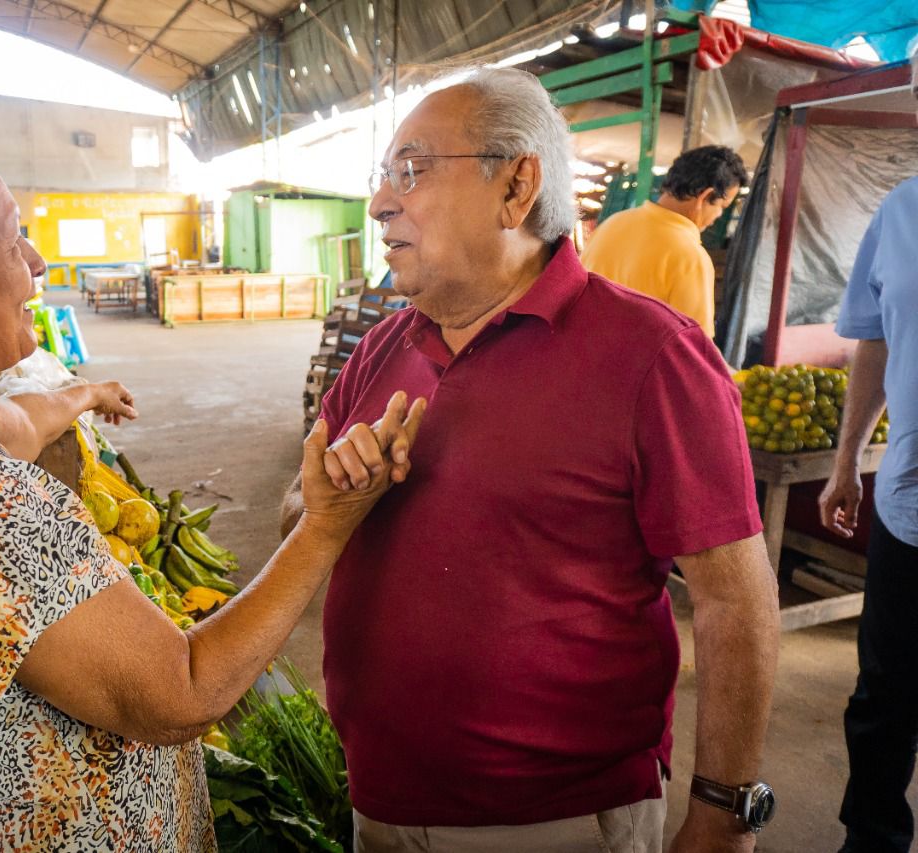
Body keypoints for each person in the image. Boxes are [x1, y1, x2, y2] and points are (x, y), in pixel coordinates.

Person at [0, 129, 423, 851]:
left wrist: (84, 396)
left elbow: (12, 423)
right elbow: (183, 690)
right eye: (11, 239)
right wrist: (325, 528)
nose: (36, 262)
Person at [280, 68, 780, 852]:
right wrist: (329, 494)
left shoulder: (655, 358)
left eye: (409, 170)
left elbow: (734, 599)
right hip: (377, 797)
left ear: (516, 187)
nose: (380, 203)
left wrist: (723, 811)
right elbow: (297, 516)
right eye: (382, 176)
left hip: (555, 823)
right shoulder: (385, 345)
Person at [818, 47, 918, 853]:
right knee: (884, 694)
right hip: (909, 512)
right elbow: (875, 343)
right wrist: (848, 457)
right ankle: (872, 837)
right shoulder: (901, 213)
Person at [581, 145, 747, 338]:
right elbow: (695, 350)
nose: (719, 215)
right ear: (705, 197)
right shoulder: (690, 257)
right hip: (635, 367)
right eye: (722, 206)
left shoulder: (610, 225)